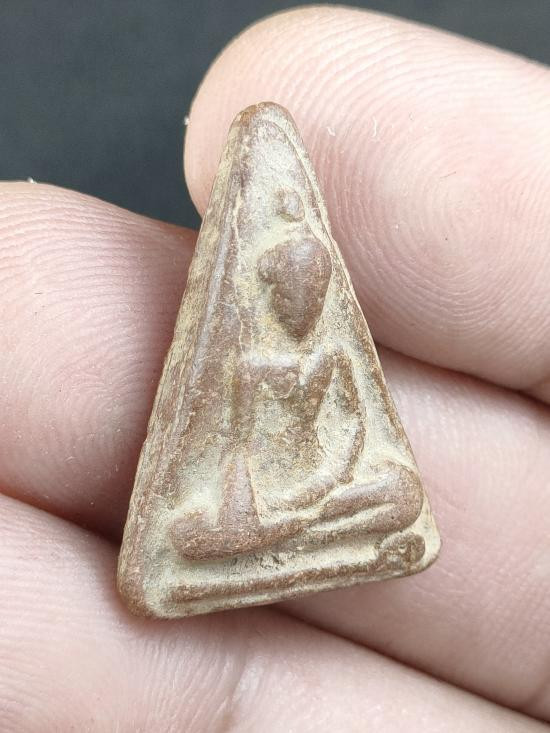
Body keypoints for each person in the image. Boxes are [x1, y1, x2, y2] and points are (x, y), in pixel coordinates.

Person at [1, 6, 549, 730]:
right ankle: (288, 551)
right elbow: (227, 451)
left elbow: (355, 443)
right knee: (190, 534)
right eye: (292, 293)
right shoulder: (245, 359)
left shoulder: (331, 354)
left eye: (313, 294)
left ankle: (291, 549)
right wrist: (264, 510)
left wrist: (319, 493)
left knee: (392, 495)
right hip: (258, 508)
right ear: (269, 289)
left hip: (325, 499)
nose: (303, 307)